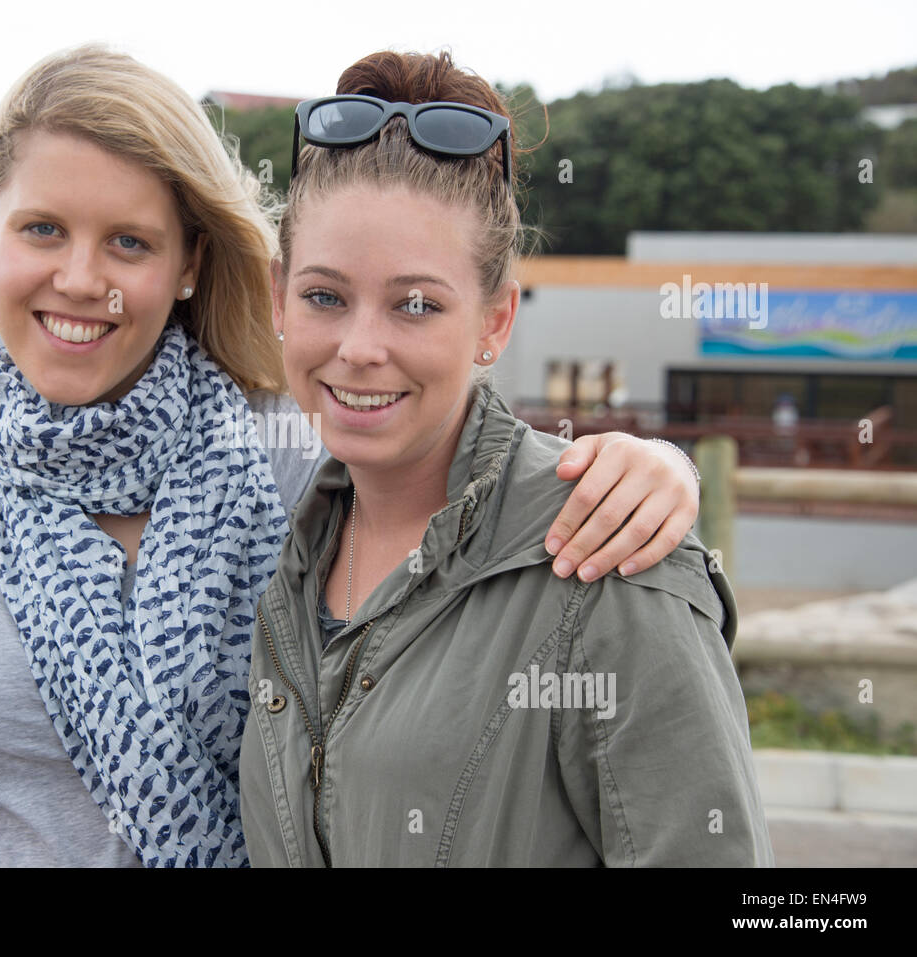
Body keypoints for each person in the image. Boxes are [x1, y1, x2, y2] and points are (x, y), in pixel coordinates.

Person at [0, 44, 705, 868]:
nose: (80, 279)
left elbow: (462, 465)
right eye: (42, 228)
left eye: (129, 242)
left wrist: (656, 463)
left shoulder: (296, 455)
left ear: (188, 266)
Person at [240, 49, 773, 867]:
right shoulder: (280, 542)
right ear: (279, 298)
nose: (359, 347)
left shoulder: (608, 555)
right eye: (324, 296)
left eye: (416, 304)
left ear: (494, 321)